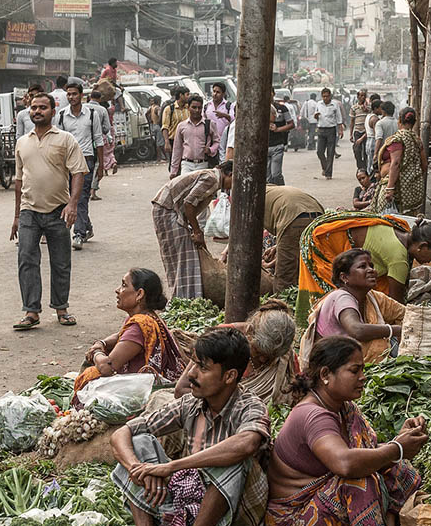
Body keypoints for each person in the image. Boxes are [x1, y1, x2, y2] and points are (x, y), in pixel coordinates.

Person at [266, 336, 431, 526]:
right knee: (359, 482)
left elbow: (371, 454)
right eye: (354, 370)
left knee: (400, 472)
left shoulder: (344, 408)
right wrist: (396, 448)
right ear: (325, 375)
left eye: (363, 369)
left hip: (324, 507)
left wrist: (400, 440)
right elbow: (346, 464)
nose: (363, 377)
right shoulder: (313, 415)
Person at [110, 328, 271, 526]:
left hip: (236, 521)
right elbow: (121, 433)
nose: (191, 374)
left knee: (230, 459)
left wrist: (171, 467)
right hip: (191, 509)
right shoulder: (191, 405)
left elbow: (247, 443)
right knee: (138, 444)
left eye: (203, 368)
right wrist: (140, 470)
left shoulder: (250, 407)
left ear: (230, 376)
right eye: (193, 363)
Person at [10, 94, 88, 331]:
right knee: (26, 259)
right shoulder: (22, 142)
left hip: (58, 211)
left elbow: (78, 173)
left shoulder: (66, 140)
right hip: (28, 212)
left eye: (43, 107)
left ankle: (61, 308)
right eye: (33, 108)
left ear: (53, 111)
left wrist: (72, 204)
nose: (37, 111)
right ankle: (31, 312)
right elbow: (18, 180)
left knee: (61, 261)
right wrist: (15, 216)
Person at [296, 214, 431, 326]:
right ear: (422, 246)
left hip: (329, 234)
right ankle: (317, 327)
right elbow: (395, 305)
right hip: (323, 241)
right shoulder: (399, 259)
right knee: (333, 294)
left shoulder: (401, 231)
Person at [74, 268, 185, 399]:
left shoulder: (139, 325)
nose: (117, 290)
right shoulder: (145, 316)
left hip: (140, 392)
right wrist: (102, 343)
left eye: (124, 285)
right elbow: (121, 335)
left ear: (139, 294)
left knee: (89, 380)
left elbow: (107, 367)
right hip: (148, 384)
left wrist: (96, 352)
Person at [174, 300, 298, 407]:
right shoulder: (222, 340)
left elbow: (297, 392)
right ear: (249, 333)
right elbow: (181, 390)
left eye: (271, 357)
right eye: (259, 352)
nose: (263, 359)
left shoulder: (285, 354)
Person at [302, 248, 404, 367]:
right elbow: (357, 330)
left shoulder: (373, 298)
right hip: (332, 365)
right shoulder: (341, 297)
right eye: (362, 266)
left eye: (371, 266)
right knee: (382, 340)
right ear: (344, 277)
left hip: (350, 363)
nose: (371, 270)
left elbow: (406, 314)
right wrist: (395, 330)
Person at [151, 162, 234, 299]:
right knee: (183, 255)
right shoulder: (212, 178)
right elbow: (189, 203)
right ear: (229, 174)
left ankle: (184, 295)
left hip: (169, 209)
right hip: (167, 209)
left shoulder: (211, 178)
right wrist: (197, 231)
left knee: (185, 253)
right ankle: (183, 296)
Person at [55, 82, 105, 250]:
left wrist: (101, 165)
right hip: (67, 162)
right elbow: (57, 141)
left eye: (74, 94)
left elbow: (98, 139)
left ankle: (78, 234)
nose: (71, 97)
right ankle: (87, 226)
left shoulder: (92, 114)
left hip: (86, 160)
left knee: (81, 197)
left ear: (81, 95)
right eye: (69, 94)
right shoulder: (61, 115)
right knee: (69, 197)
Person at [264, 184, 323, 289]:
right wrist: (278, 246)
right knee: (308, 266)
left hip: (294, 217)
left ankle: (282, 302)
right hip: (317, 215)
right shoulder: (272, 189)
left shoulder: (251, 195)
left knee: (285, 273)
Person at [375, 107, 427, 215]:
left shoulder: (397, 140)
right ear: (414, 122)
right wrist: (411, 178)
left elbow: (396, 163)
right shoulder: (417, 140)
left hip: (396, 189)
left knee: (388, 219)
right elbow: (424, 165)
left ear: (399, 120)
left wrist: (390, 188)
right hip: (412, 190)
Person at [169, 95, 219, 178]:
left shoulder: (210, 124)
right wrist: (173, 171)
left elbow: (217, 141)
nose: (197, 110)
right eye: (194, 107)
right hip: (187, 164)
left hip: (204, 164)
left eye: (199, 108)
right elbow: (177, 149)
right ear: (188, 108)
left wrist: (210, 150)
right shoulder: (182, 126)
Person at [314, 88, 345, 180]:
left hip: (331, 130)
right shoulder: (319, 104)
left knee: (330, 152)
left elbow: (339, 118)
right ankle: (325, 167)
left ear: (330, 96)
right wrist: (316, 116)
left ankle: (328, 173)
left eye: (327, 96)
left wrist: (340, 130)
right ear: (321, 96)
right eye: (324, 96)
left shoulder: (335, 105)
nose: (325, 98)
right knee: (319, 151)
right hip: (321, 130)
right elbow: (315, 116)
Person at [268, 90, 295, 185]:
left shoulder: (282, 108)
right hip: (264, 146)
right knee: (268, 177)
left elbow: (291, 124)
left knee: (276, 174)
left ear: (273, 94)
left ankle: (282, 191)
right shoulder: (259, 109)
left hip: (277, 145)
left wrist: (277, 129)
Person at [161, 86, 191, 159]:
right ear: (181, 95)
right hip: (174, 141)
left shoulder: (189, 108)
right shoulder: (169, 109)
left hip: (188, 141)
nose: (189, 97)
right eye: (187, 94)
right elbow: (165, 127)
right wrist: (167, 142)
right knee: (175, 163)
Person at [371, 101, 397, 172]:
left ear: (383, 111)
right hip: (397, 153)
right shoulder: (398, 123)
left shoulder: (380, 123)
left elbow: (379, 139)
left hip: (384, 153)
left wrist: (376, 154)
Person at [350, 90, 370, 173]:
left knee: (366, 150)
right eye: (361, 95)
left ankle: (365, 167)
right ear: (358, 97)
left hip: (366, 132)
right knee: (357, 149)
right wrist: (351, 134)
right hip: (357, 131)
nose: (362, 97)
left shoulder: (368, 107)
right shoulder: (354, 108)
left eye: (364, 95)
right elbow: (352, 121)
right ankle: (360, 166)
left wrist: (366, 108)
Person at [147, 96, 166, 163]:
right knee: (160, 143)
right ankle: (159, 158)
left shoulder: (152, 107)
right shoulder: (157, 108)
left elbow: (146, 113)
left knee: (158, 143)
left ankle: (164, 157)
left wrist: (149, 121)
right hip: (158, 126)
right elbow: (159, 115)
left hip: (153, 126)